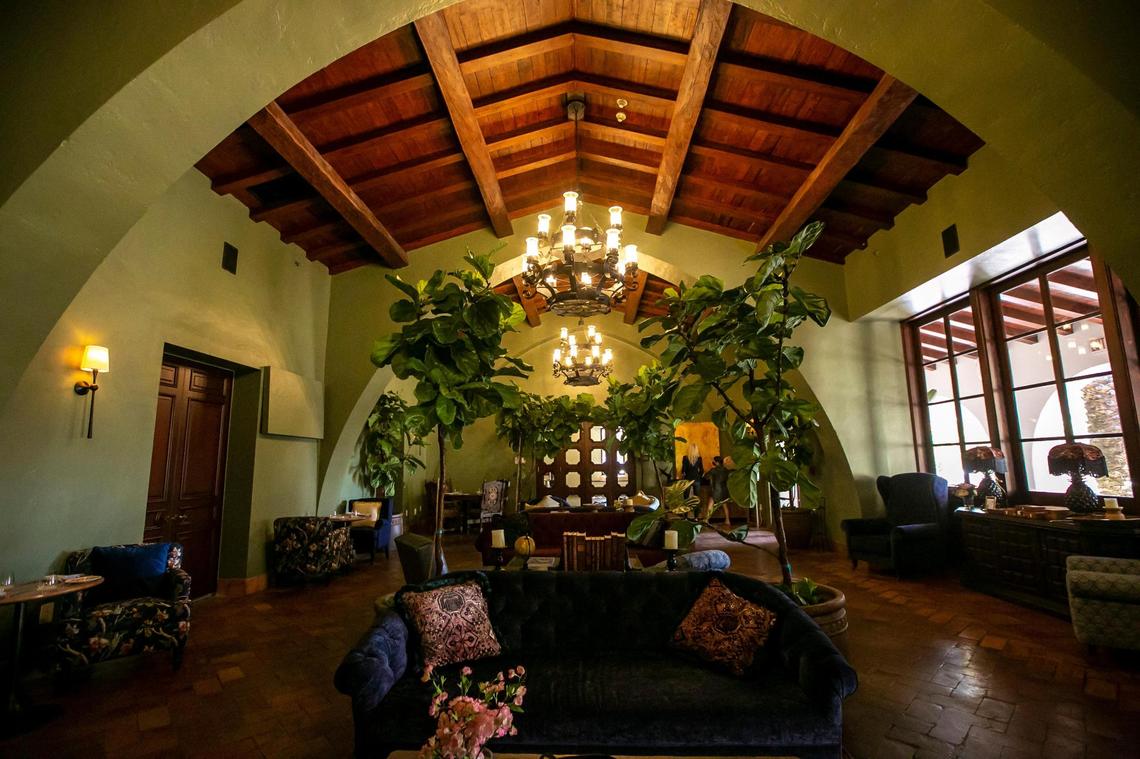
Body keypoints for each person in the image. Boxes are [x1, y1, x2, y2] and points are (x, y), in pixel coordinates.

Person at [707, 455, 731, 525]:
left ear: (717, 462)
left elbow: (706, 476)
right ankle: (727, 520)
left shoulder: (713, 470)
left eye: (714, 461)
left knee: (710, 505)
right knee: (725, 505)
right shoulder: (726, 470)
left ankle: (706, 520)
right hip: (724, 490)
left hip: (715, 490)